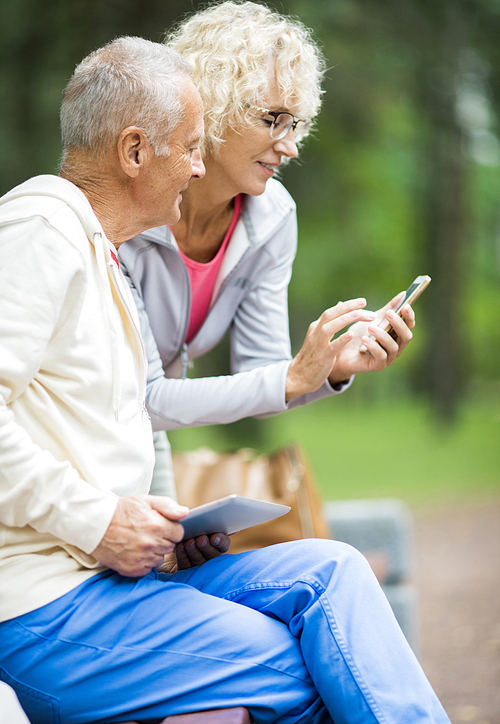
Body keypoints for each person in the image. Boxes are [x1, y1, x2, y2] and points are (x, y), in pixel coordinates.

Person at [0, 33, 464, 724]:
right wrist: (98, 522)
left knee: (330, 567)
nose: (194, 167)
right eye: (188, 147)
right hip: (44, 608)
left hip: (113, 579)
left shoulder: (104, 254)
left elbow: (128, 417)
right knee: (303, 670)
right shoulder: (39, 230)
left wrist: (164, 528)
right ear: (132, 152)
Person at [119, 0, 416, 498]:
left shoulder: (273, 216)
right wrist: (293, 376)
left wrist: (332, 364)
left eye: (295, 124)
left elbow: (264, 376)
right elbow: (142, 400)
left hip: (143, 443)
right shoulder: (129, 211)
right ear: (212, 108)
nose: (291, 146)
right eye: (273, 119)